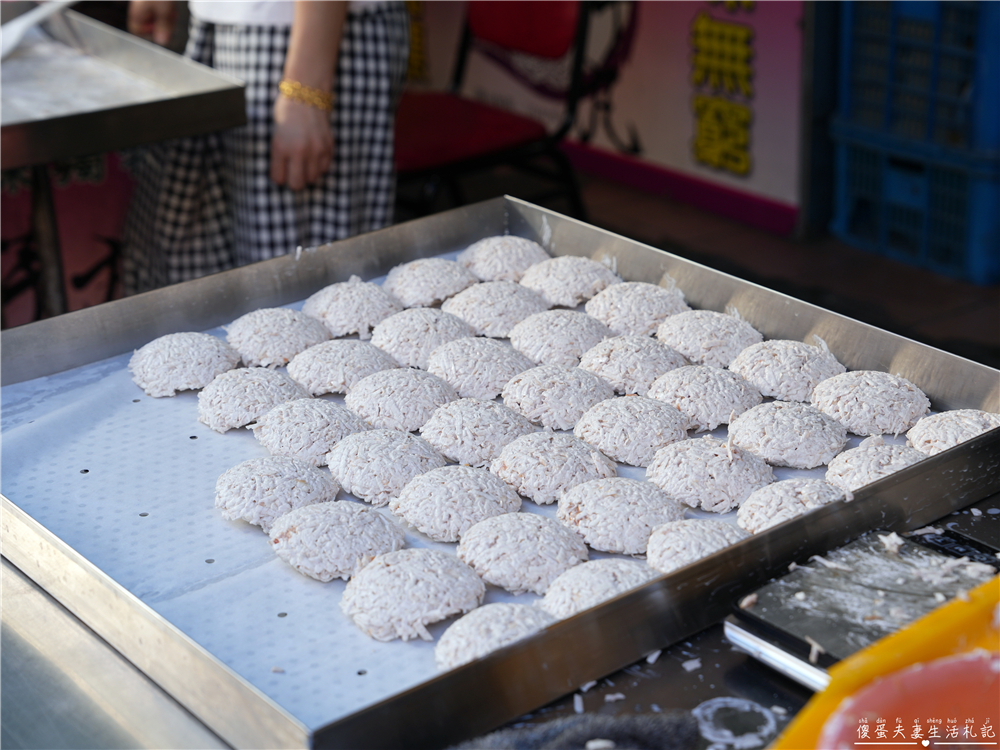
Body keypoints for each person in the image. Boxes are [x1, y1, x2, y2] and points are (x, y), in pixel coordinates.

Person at [122, 0, 409, 294]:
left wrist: (306, 91)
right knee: (207, 273)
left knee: (303, 289)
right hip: (222, 26)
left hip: (300, 42)